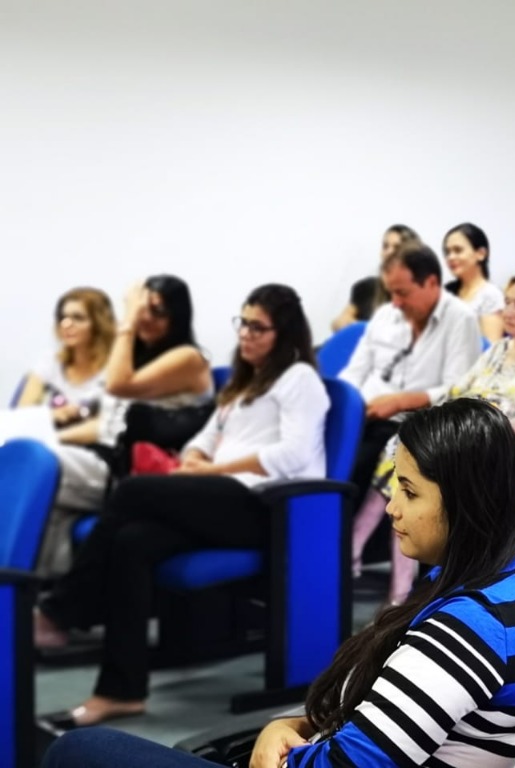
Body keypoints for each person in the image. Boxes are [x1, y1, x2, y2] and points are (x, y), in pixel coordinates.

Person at [43, 399, 515, 768]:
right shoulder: (493, 583)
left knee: (80, 751)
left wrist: (284, 741)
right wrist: (290, 726)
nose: (392, 508)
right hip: (324, 742)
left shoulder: (469, 630)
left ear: (468, 503)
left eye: (410, 492)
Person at [33, 283, 330, 727]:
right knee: (133, 542)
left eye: (258, 327)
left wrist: (212, 470)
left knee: (132, 492)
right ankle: (120, 691)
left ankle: (61, 611)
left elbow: (293, 454)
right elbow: (204, 437)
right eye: (243, 323)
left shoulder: (299, 378)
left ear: (283, 333)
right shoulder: (244, 382)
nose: (245, 334)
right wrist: (193, 458)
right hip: (224, 495)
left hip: (269, 506)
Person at [352, 269, 515, 604]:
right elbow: (458, 390)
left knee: (423, 464)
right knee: (407, 445)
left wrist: (493, 428)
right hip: (468, 440)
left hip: (508, 450)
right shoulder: (499, 349)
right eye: (507, 303)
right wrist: (437, 418)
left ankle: (379, 571)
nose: (508, 311)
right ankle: (393, 581)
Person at [37, 276, 214, 577]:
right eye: (142, 309)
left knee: (35, 472)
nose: (146, 318)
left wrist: (129, 319)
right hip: (105, 460)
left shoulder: (189, 358)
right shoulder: (140, 355)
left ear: (178, 315)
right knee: (45, 502)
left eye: (157, 311)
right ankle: (36, 593)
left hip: (135, 473)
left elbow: (118, 385)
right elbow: (106, 423)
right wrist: (49, 438)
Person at [340, 242, 480, 501]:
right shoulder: (385, 315)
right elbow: (354, 373)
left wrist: (401, 401)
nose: (395, 302)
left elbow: (459, 393)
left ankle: (341, 526)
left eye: (402, 293)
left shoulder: (461, 319)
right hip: (362, 415)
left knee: (350, 471)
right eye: (391, 292)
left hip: (408, 425)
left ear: (431, 283)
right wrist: (342, 406)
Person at [15, 286, 115, 425]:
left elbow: (115, 423)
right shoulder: (51, 361)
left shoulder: (116, 367)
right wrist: (53, 414)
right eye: (62, 317)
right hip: (51, 435)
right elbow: (22, 413)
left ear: (99, 324)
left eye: (78, 318)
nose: (66, 324)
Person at [330, 224, 421, 333]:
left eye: (397, 248)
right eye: (385, 246)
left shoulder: (419, 294)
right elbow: (338, 322)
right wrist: (352, 325)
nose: (388, 252)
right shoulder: (367, 287)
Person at [443, 222, 504, 342]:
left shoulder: (491, 295)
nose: (450, 257)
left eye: (458, 250)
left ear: (481, 254)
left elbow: (491, 347)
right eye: (447, 252)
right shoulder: (445, 291)